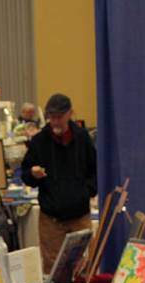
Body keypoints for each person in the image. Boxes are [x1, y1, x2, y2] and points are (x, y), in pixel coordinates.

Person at [21, 93, 97, 270]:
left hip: (80, 217)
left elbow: (95, 169)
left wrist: (87, 191)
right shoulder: (39, 141)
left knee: (84, 267)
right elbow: (25, 173)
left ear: (70, 114)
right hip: (51, 220)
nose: (55, 122)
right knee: (52, 268)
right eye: (51, 117)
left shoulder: (82, 138)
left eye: (59, 117)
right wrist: (32, 174)